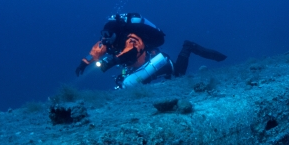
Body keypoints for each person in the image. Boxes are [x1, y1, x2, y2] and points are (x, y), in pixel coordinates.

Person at [75, 13, 227, 89]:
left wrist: (114, 60)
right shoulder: (107, 42)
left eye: (108, 35)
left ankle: (188, 47)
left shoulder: (132, 38)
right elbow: (95, 51)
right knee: (126, 85)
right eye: (103, 34)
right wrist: (84, 63)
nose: (105, 38)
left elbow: (132, 52)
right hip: (135, 67)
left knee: (178, 73)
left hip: (155, 61)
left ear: (117, 33)